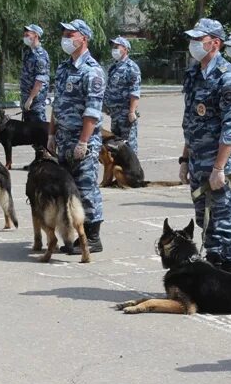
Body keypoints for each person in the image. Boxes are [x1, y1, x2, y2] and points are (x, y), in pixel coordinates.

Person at [179, 18, 231, 273]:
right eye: (192, 39)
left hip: (220, 163)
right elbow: (190, 122)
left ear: (215, 43)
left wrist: (219, 168)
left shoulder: (228, 78)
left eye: (199, 40)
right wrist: (184, 160)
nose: (193, 44)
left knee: (225, 221)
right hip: (197, 160)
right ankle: (213, 269)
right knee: (205, 221)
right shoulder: (193, 75)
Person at [50, 19, 105, 253]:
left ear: (84, 38)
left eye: (70, 34)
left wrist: (83, 141)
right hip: (63, 138)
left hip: (84, 140)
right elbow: (57, 104)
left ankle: (92, 236)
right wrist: (51, 134)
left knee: (86, 186)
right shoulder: (63, 68)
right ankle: (74, 233)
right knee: (67, 187)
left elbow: (92, 112)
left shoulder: (92, 71)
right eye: (64, 33)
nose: (65, 38)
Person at [103, 36, 141, 153]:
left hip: (125, 114)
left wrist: (131, 111)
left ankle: (132, 170)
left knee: (128, 146)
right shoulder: (114, 67)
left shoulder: (131, 67)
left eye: (117, 46)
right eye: (113, 47)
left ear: (125, 49)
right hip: (115, 114)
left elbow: (134, 91)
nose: (114, 49)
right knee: (115, 145)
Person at [20, 24, 50, 124]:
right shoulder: (27, 53)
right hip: (26, 97)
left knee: (39, 129)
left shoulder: (41, 55)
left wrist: (31, 98)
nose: (25, 36)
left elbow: (39, 80)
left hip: (36, 100)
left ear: (36, 35)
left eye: (27, 34)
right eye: (24, 34)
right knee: (28, 130)